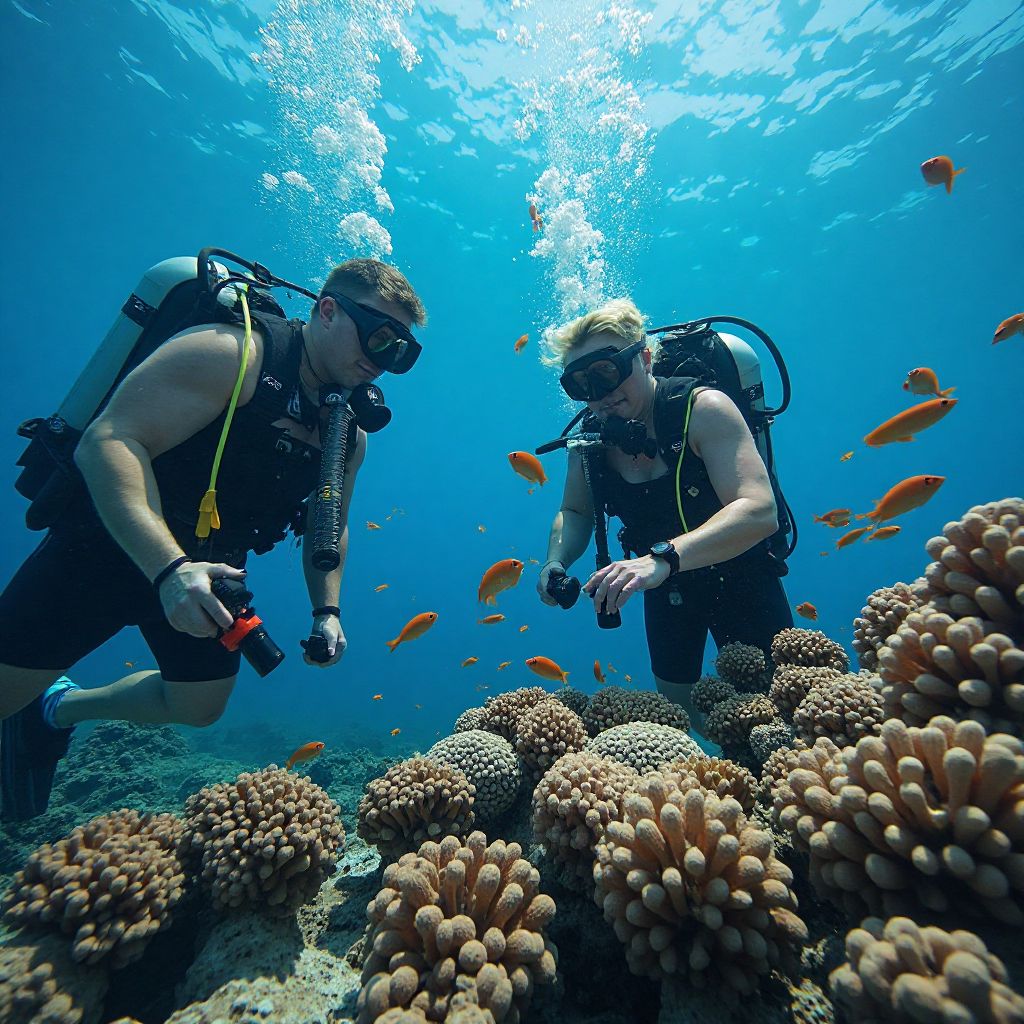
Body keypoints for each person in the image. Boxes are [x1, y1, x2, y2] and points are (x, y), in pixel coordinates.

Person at [0, 257, 426, 820]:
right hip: (104, 552)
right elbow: (108, 442)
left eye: (402, 353)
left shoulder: (346, 435)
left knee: (199, 705)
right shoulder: (233, 354)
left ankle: (56, 709)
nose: (383, 363)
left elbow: (332, 523)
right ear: (327, 310)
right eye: (380, 339)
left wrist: (328, 611)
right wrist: (169, 569)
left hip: (212, 577)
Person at [536, 298, 792, 722]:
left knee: (781, 710)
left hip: (743, 577)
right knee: (676, 718)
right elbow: (576, 512)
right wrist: (555, 562)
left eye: (606, 371)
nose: (599, 395)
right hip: (663, 588)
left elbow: (759, 509)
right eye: (581, 385)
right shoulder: (590, 443)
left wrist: (664, 558)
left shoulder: (702, 408)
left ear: (645, 358)